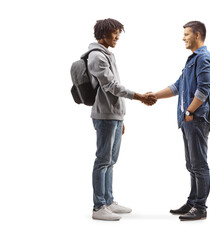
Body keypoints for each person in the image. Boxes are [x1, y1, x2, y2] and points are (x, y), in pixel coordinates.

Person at [87, 18, 156, 221]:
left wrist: (120, 117)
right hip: (105, 115)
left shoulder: (107, 54)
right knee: (102, 161)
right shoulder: (97, 56)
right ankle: (99, 206)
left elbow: (112, 89)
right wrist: (140, 96)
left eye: (118, 32)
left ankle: (108, 200)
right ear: (103, 33)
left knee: (111, 160)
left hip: (113, 115)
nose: (117, 36)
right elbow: (112, 87)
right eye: (114, 33)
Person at [150, 21, 210, 221]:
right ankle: (192, 201)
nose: (183, 37)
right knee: (191, 164)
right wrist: (153, 95)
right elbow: (177, 86)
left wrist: (189, 110)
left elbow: (203, 90)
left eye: (186, 34)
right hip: (188, 119)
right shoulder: (192, 60)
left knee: (199, 164)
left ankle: (200, 207)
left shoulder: (204, 59)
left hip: (196, 118)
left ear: (197, 35)